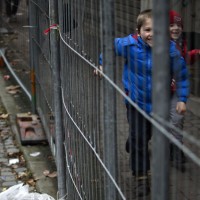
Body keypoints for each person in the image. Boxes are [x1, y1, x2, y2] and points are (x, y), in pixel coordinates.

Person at [95, 9, 189, 196]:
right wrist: (102, 63)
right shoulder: (129, 45)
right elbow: (109, 46)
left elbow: (182, 76)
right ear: (138, 31)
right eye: (147, 30)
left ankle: (136, 138)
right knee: (139, 141)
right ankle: (140, 177)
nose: (152, 34)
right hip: (136, 103)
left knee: (150, 137)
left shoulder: (171, 51)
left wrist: (182, 99)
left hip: (160, 105)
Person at [169, 10, 200, 171]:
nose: (175, 28)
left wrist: (194, 54)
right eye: (171, 25)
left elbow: (183, 59)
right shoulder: (157, 42)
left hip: (176, 89)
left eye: (179, 25)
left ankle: (176, 149)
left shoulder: (181, 41)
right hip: (159, 90)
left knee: (177, 119)